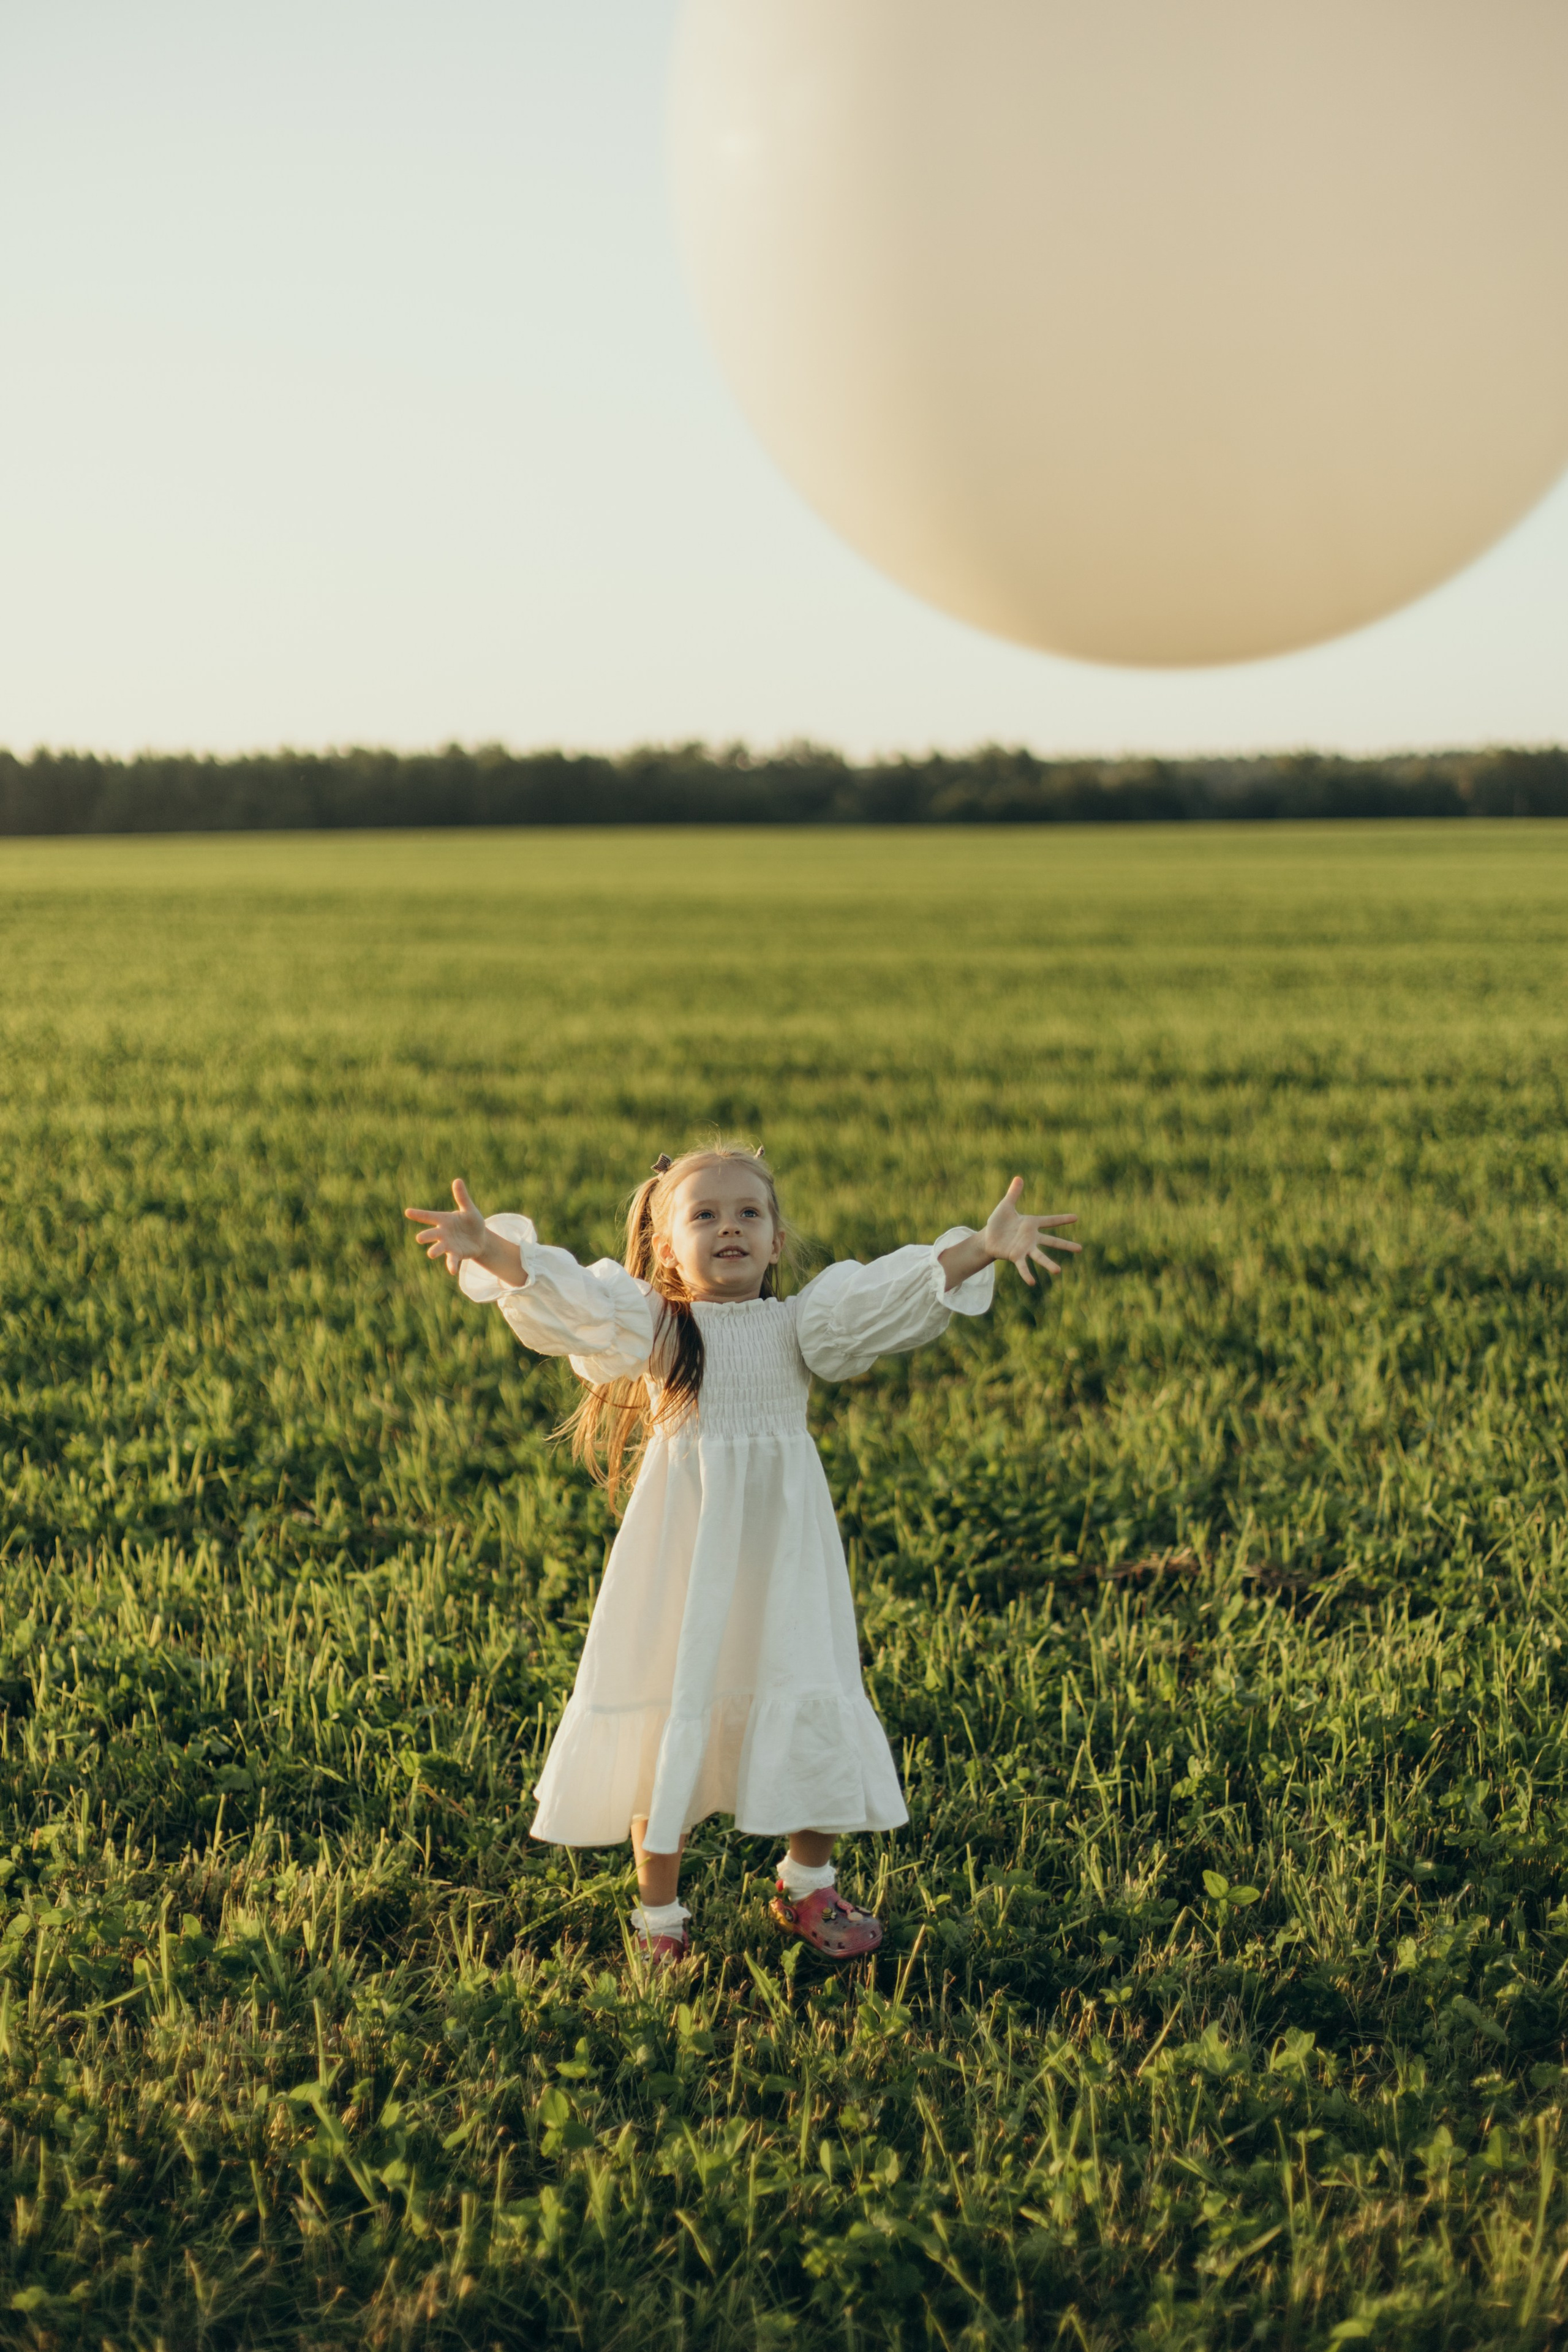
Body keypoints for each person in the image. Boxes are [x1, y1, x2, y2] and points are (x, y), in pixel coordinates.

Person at [405, 1145, 1078, 1967]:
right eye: (705, 1215)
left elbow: (888, 1296)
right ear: (665, 1247)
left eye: (749, 1213)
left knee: (804, 1691)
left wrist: (981, 1246)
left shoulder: (803, 1324)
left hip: (783, 1559)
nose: (730, 1227)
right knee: (671, 1719)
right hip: (684, 1561)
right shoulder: (658, 1325)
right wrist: (494, 1250)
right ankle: (660, 1919)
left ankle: (807, 1883)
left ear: (776, 1239)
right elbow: (574, 1299)